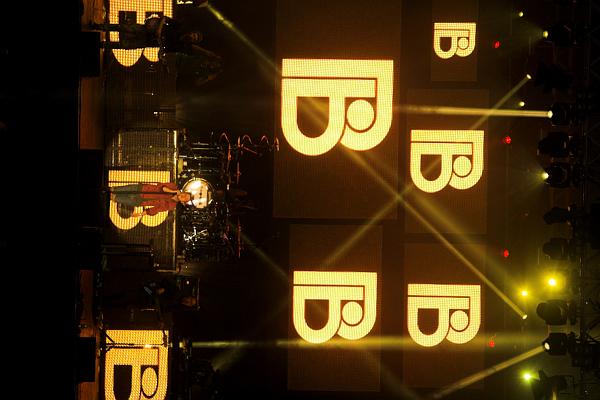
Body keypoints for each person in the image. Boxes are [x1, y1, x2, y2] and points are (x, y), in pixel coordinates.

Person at [109, 182, 194, 217]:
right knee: (115, 190)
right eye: (185, 195)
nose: (183, 196)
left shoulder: (171, 206)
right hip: (142, 189)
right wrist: (174, 191)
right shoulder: (173, 186)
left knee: (115, 198)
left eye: (185, 199)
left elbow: (155, 210)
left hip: (140, 201)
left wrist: (140, 214)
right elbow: (163, 188)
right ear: (183, 192)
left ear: (183, 202)